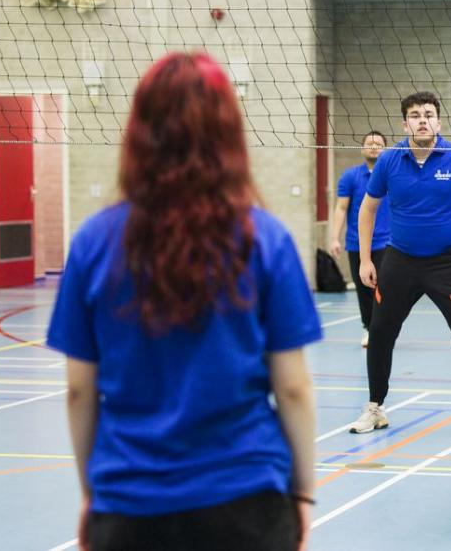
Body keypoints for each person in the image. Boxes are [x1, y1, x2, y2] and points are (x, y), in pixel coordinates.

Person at [47, 52, 320, 551]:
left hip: (129, 503)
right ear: (229, 134)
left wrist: (94, 493)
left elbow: (79, 392)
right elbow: (294, 388)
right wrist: (302, 493)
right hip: (247, 501)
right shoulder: (266, 240)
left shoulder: (92, 242)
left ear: (139, 131)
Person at [349, 91, 451, 437]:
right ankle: (375, 407)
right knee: (380, 332)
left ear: (438, 121)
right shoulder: (389, 160)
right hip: (399, 261)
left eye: (429, 114)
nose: (422, 120)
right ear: (405, 124)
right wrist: (366, 260)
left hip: (449, 261)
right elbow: (368, 208)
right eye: (415, 115)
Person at [329, 130, 391, 348]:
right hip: (356, 243)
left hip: (387, 243)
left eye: (378, 143)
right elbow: (341, 208)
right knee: (364, 290)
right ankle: (370, 329)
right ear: (362, 148)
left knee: (383, 289)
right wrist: (334, 238)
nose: (374, 147)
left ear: (386, 149)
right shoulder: (350, 176)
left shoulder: (392, 174)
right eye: (370, 143)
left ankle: (382, 329)